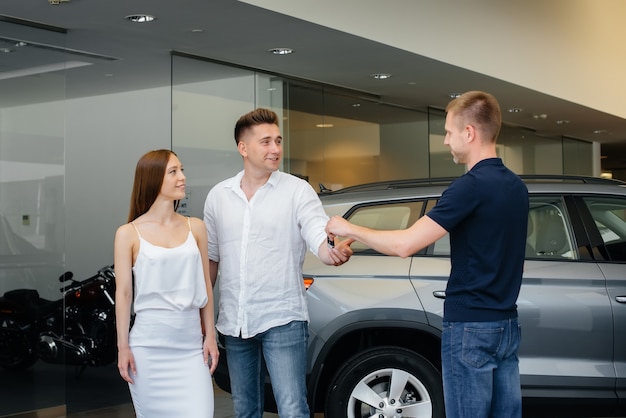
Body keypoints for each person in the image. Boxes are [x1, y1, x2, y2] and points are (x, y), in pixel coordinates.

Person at [326, 91, 528, 418]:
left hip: (471, 328)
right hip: (506, 325)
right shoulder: (516, 187)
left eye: (449, 132)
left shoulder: (469, 187)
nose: (446, 141)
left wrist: (350, 229)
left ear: (469, 132)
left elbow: (407, 244)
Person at [203, 108, 353, 418]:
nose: (275, 149)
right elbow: (212, 260)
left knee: (293, 409)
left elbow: (318, 235)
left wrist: (332, 252)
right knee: (245, 409)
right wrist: (201, 316)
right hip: (235, 320)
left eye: (279, 141)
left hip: (282, 318)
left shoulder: (297, 191)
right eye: (266, 142)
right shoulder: (219, 196)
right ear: (243, 148)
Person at [114, 149, 219, 418]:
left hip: (190, 349)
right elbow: (124, 294)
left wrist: (211, 336)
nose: (182, 177)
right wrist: (122, 347)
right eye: (173, 172)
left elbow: (205, 286)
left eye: (181, 170)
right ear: (153, 180)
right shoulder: (128, 234)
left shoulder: (196, 227)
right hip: (148, 350)